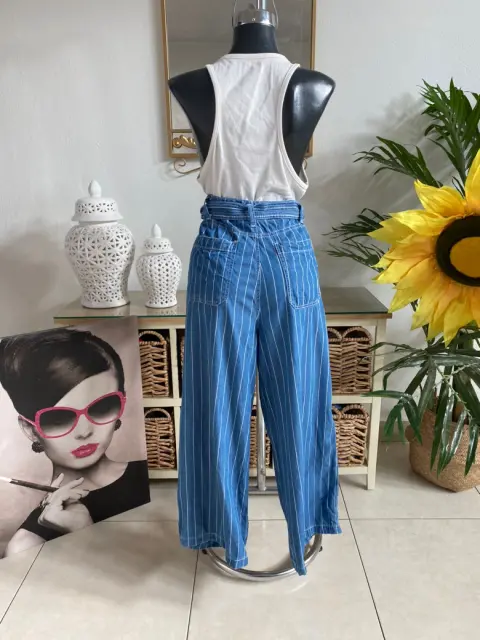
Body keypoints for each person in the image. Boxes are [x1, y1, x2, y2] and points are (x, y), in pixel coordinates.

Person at [0, 327, 149, 557]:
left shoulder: (149, 479)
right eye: (58, 418)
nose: (84, 431)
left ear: (121, 403)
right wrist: (82, 533)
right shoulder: (26, 545)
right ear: (30, 429)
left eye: (102, 407)